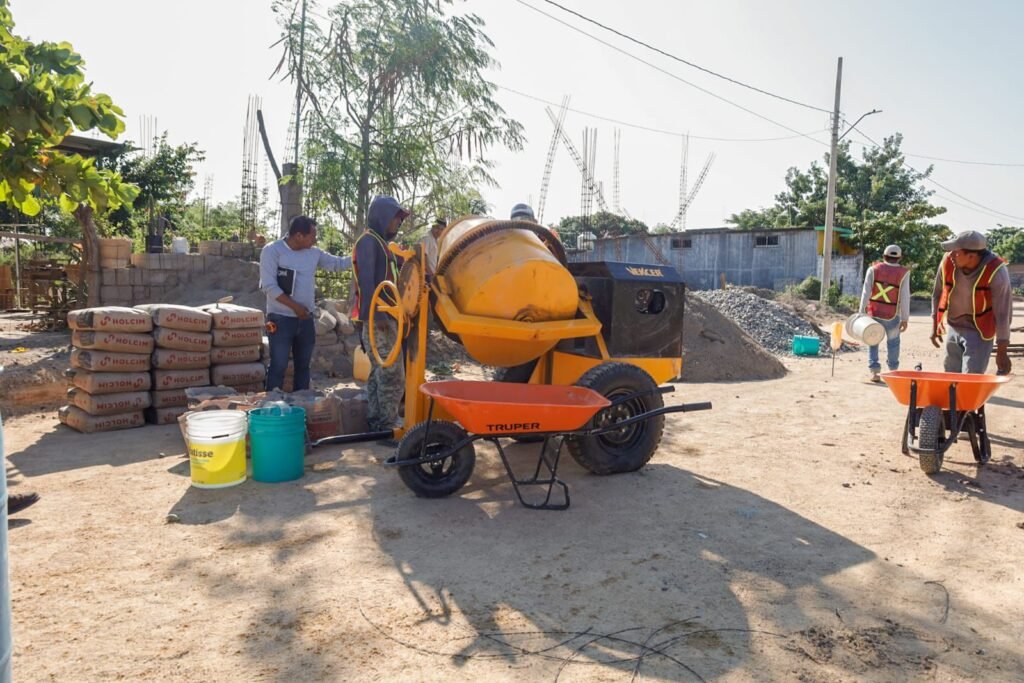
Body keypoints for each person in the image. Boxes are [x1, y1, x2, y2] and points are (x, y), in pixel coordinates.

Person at [259, 215, 352, 392]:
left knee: (303, 367)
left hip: (305, 319)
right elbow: (269, 287)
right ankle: (272, 403)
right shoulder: (272, 251)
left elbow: (337, 264)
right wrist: (296, 308)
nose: (315, 240)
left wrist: (359, 254)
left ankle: (302, 402)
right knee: (278, 365)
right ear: (298, 236)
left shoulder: (313, 253)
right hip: (280, 319)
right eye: (312, 236)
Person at [351, 196, 409, 439]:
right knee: (391, 373)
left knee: (379, 372)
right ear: (382, 217)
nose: (398, 223)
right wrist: (377, 316)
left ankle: (377, 422)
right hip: (380, 318)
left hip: (385, 316)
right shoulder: (368, 242)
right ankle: (387, 425)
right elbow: (367, 282)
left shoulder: (381, 244)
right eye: (395, 218)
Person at [931, 230, 1013, 375]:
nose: (951, 254)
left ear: (971, 256)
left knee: (971, 378)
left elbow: (1002, 314)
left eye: (956, 252)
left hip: (979, 331)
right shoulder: (947, 262)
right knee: (950, 376)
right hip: (954, 326)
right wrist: (935, 326)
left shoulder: (997, 271)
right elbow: (937, 294)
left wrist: (1002, 351)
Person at [860, 244, 911, 382]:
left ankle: (875, 372)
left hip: (874, 312)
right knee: (893, 343)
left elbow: (866, 292)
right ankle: (893, 372)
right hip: (893, 315)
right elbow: (905, 296)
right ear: (900, 258)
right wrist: (905, 318)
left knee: (873, 340)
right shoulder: (904, 273)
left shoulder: (873, 269)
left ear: (884, 256)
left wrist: (861, 312)